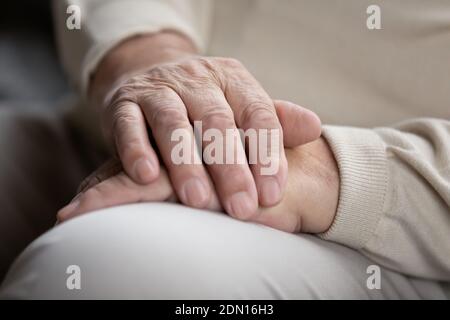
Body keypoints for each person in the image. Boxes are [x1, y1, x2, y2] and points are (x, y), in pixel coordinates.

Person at [0, 0, 449, 299]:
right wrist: (148, 54)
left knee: (98, 270)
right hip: (109, 130)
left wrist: (321, 173)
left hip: (383, 240)